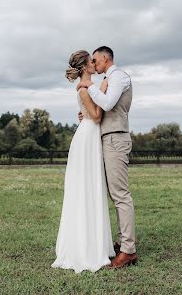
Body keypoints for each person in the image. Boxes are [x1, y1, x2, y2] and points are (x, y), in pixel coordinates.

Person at [51, 50, 115, 273]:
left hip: (88, 134)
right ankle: (85, 246)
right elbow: (97, 116)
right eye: (91, 61)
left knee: (91, 187)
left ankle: (94, 241)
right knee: (86, 187)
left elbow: (88, 113)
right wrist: (103, 89)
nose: (94, 63)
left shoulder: (85, 88)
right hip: (87, 136)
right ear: (85, 67)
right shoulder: (85, 88)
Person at [77, 46, 137, 269]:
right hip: (105, 139)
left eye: (95, 59)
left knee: (120, 194)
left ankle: (128, 250)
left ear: (104, 58)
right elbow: (101, 108)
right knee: (114, 194)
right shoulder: (106, 80)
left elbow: (109, 103)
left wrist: (89, 86)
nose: (94, 63)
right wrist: (86, 112)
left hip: (116, 139)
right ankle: (122, 241)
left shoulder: (119, 77)